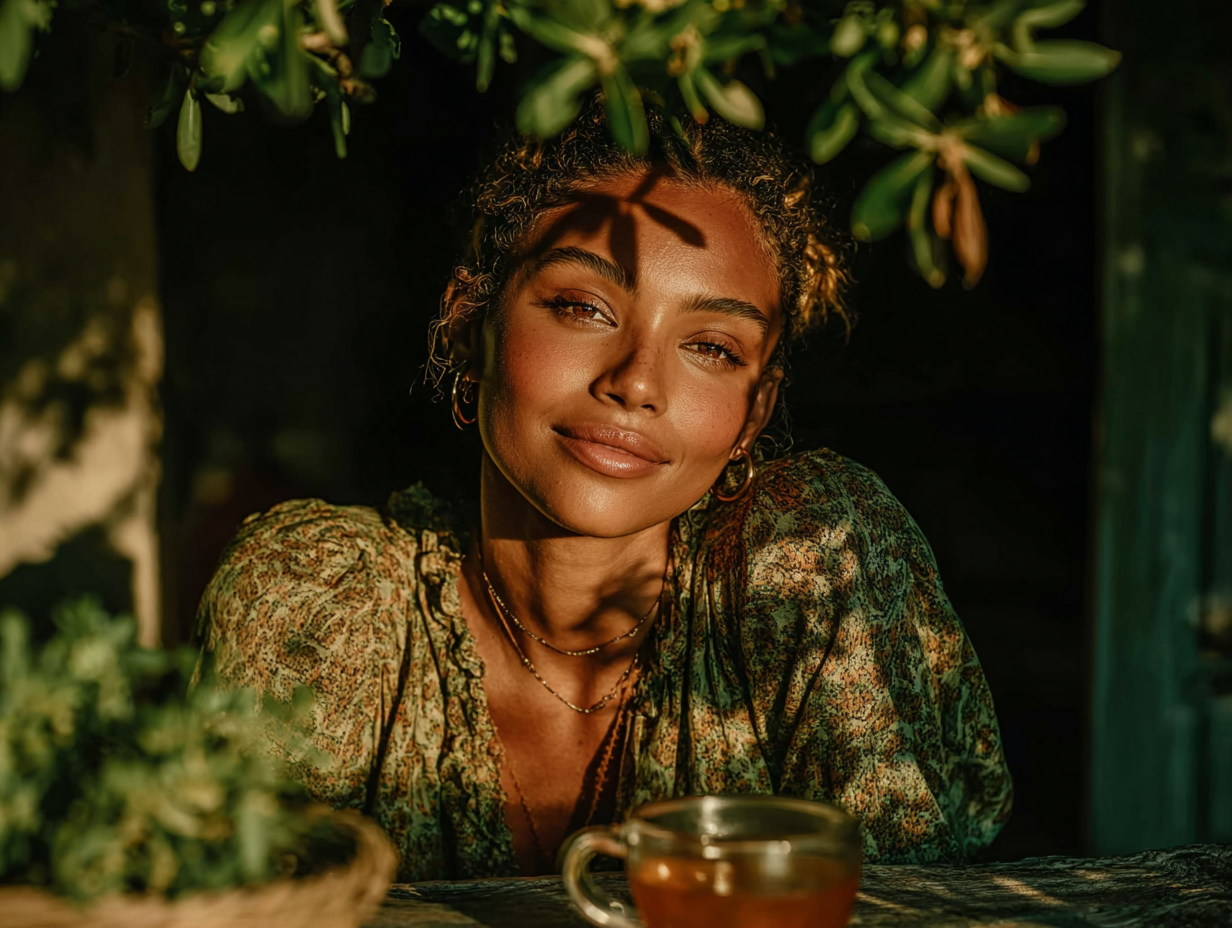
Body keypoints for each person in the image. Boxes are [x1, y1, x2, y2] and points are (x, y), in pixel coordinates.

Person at [196, 99, 1012, 880]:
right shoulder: (320, 599)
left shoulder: (815, 563)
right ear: (467, 326)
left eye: (714, 348)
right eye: (583, 306)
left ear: (755, 411)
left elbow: (908, 903)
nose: (635, 383)